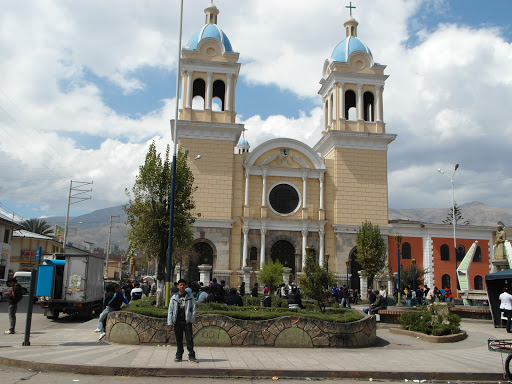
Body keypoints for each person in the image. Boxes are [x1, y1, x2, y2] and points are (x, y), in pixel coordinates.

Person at [167, 279, 197, 363]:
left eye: (183, 285)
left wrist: (191, 319)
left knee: (189, 339)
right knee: (179, 339)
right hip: (177, 321)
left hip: (187, 321)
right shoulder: (174, 298)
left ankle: (191, 355)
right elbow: (170, 310)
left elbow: (193, 308)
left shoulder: (190, 297)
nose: (182, 286)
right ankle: (178, 355)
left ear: (186, 286)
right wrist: (170, 322)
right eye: (180, 285)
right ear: (178, 286)